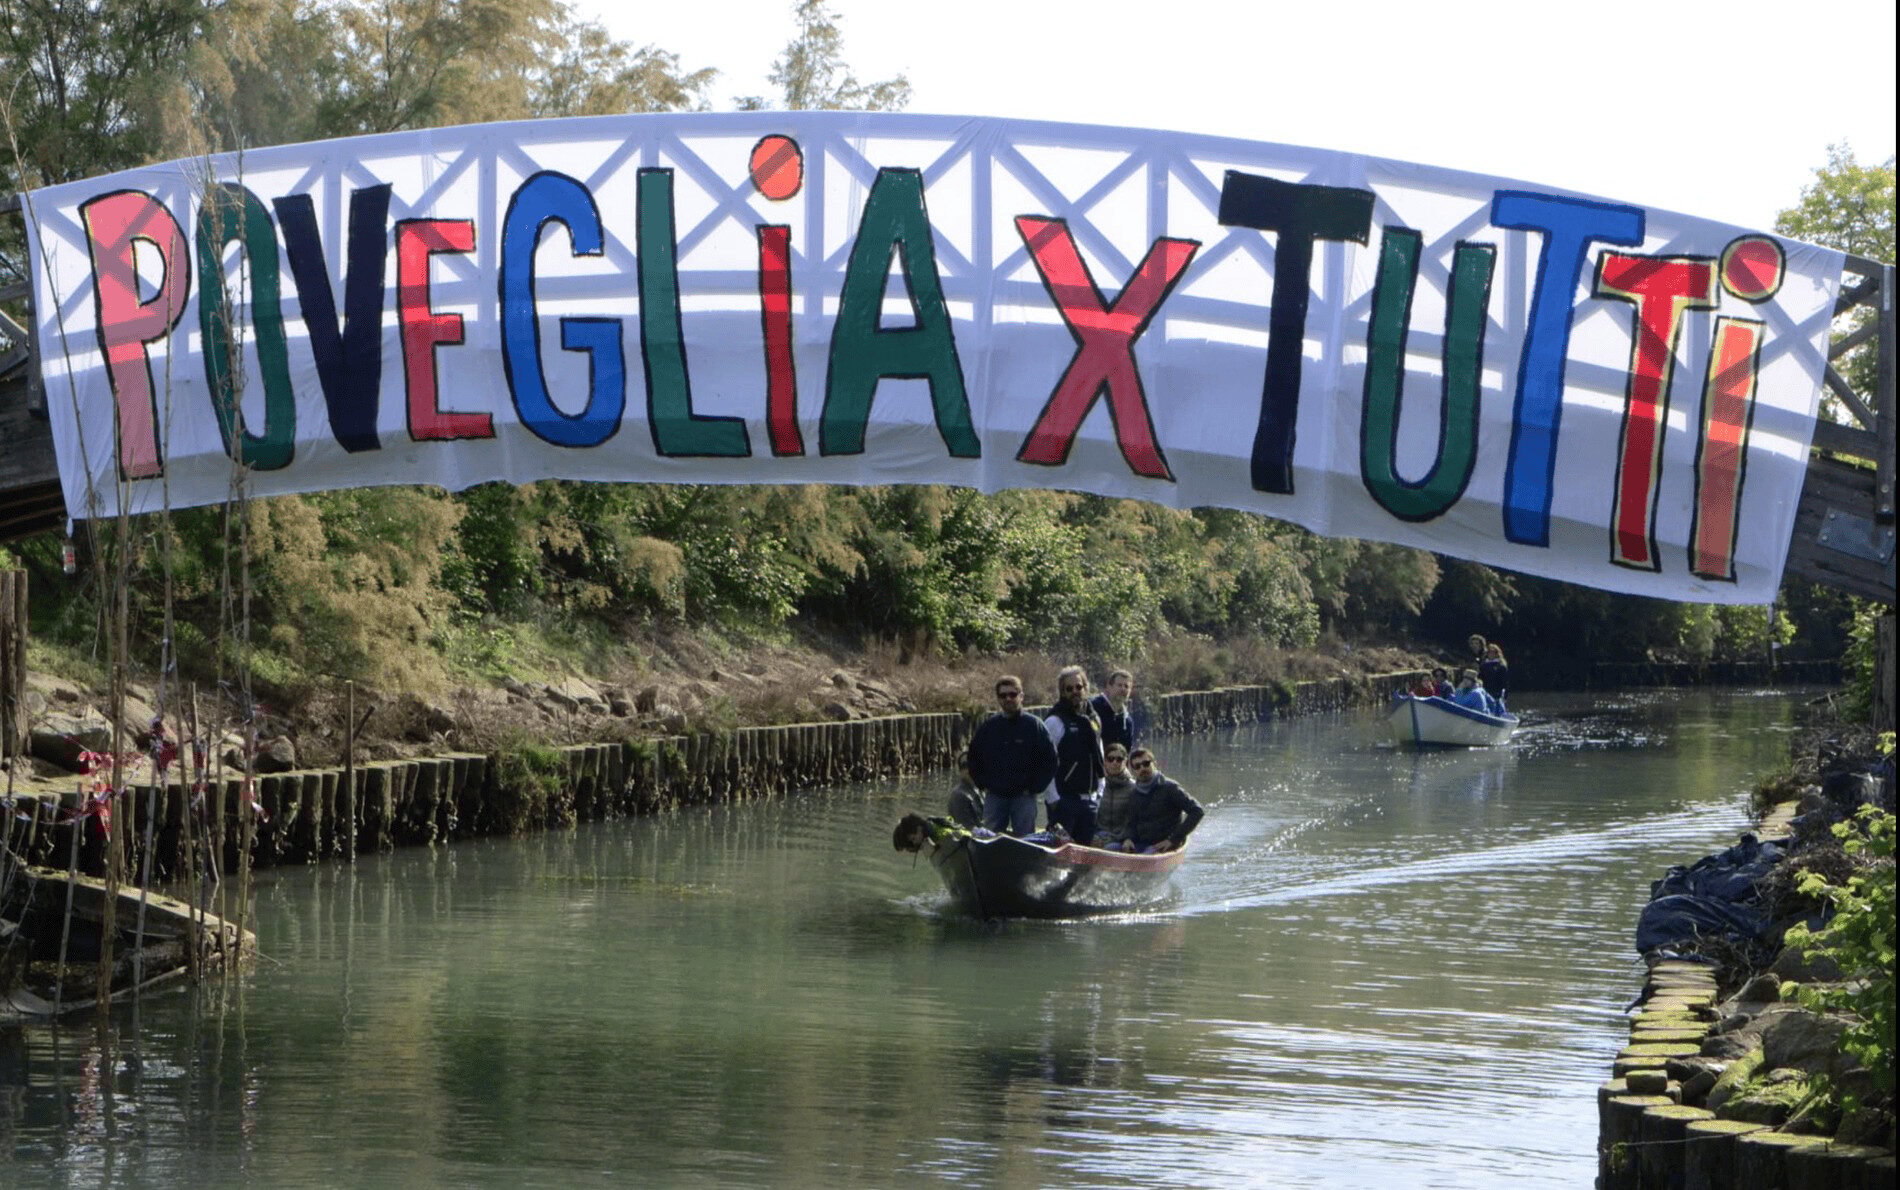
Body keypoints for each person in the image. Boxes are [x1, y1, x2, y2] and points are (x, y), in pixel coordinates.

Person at [967, 675, 1058, 836]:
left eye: (1012, 694)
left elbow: (1051, 760)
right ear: (998, 699)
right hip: (995, 797)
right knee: (988, 841)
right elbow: (973, 757)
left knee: (1026, 842)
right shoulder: (989, 726)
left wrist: (1036, 787)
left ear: (1021, 696)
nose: (1008, 699)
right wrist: (983, 784)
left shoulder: (1034, 725)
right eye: (1003, 695)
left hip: (1024, 797)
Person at [1043, 665, 1105, 842]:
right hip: (1064, 800)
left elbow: (1099, 756)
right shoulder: (1054, 721)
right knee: (1061, 854)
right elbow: (1044, 765)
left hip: (1090, 800)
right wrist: (1054, 800)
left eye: (1079, 687)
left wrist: (1099, 793)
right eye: (1069, 689)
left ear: (1086, 688)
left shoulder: (1094, 718)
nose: (1075, 691)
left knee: (1085, 855)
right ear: (1062, 692)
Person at [1117, 748, 1204, 854]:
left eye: (1146, 763)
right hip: (1141, 843)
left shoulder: (1170, 787)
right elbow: (1131, 823)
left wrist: (1173, 839)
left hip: (1165, 844)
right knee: (1110, 847)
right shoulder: (1134, 793)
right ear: (1133, 771)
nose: (1142, 768)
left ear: (1154, 764)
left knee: (1147, 855)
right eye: (1137, 766)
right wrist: (1127, 839)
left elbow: (1197, 811)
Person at [1093, 743, 1136, 847]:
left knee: (1110, 848)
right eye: (1110, 759)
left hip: (1121, 839)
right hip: (1098, 835)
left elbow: (1136, 820)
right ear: (1105, 762)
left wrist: (1128, 838)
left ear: (1125, 761)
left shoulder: (1134, 788)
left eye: (1119, 759)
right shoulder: (1097, 785)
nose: (1115, 763)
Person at [1090, 669, 1136, 753]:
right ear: (1109, 687)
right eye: (1119, 685)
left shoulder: (1127, 721)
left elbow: (1126, 753)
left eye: (1126, 686)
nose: (1123, 689)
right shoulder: (1092, 707)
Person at [946, 750, 984, 828]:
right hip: (969, 838)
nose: (969, 770)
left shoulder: (979, 791)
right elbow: (967, 829)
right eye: (964, 766)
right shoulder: (959, 796)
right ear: (960, 771)